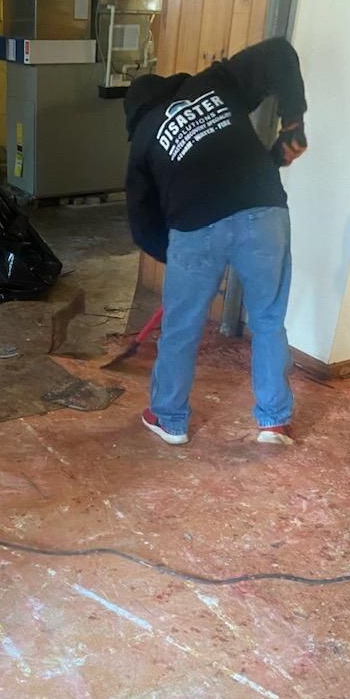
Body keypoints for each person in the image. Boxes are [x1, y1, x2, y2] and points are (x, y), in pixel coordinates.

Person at [125, 37, 308, 446]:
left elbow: (144, 223)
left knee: (181, 327)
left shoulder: (142, 141)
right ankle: (274, 422)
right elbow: (280, 52)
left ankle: (169, 418)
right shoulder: (212, 85)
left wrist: (176, 259)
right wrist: (293, 123)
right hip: (263, 212)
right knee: (267, 320)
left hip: (194, 227)